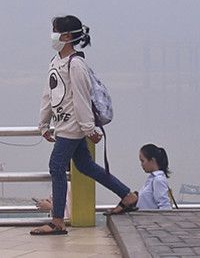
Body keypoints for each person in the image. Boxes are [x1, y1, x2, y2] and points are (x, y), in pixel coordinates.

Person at [30, 15, 137, 236]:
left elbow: (81, 98)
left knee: (56, 166)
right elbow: (48, 95)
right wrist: (43, 123)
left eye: (55, 30)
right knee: (85, 165)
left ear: (67, 36)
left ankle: (57, 221)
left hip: (72, 127)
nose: (52, 35)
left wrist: (88, 129)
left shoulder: (76, 64)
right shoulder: (56, 61)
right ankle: (127, 195)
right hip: (64, 125)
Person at [136, 143, 173, 210]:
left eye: (143, 161)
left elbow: (165, 206)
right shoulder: (152, 179)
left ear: (152, 160)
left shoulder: (158, 180)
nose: (141, 165)